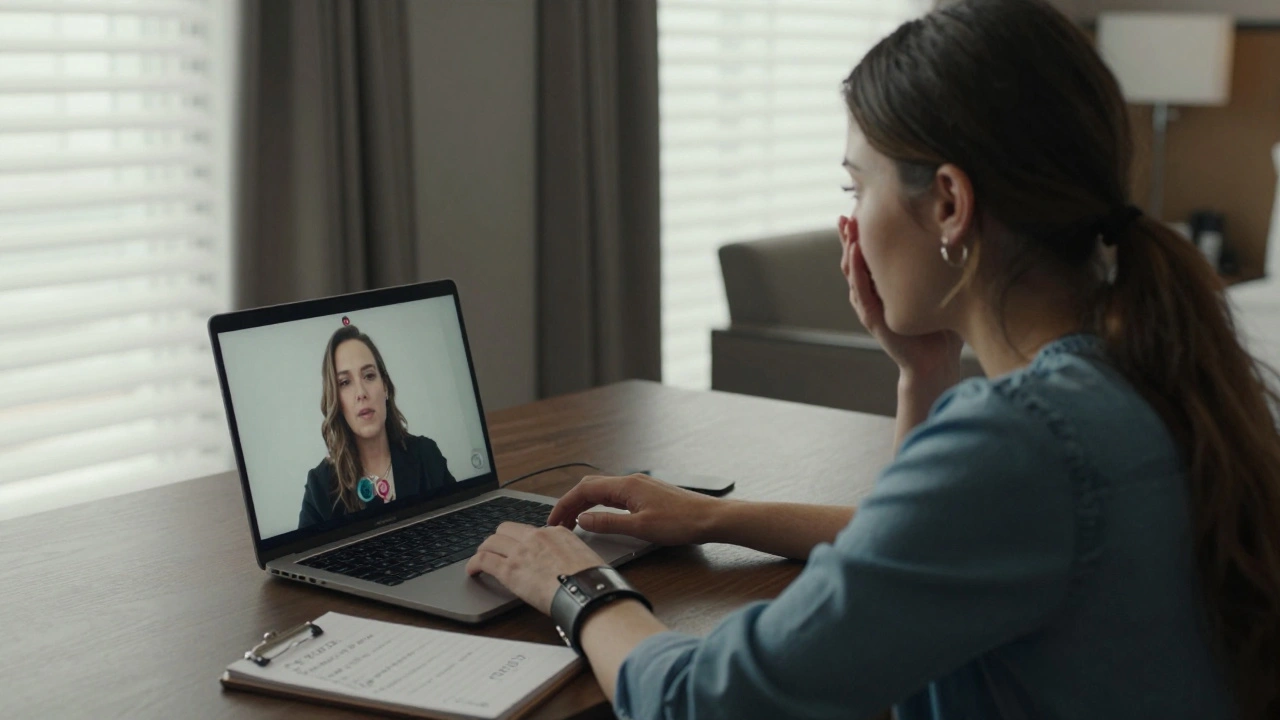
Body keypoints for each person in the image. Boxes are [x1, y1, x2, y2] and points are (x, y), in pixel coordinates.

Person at [461, 0, 1280, 718]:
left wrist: (578, 584)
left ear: (951, 204)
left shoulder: (1021, 440)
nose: (850, 219)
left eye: (857, 187)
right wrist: (723, 512)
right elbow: (922, 548)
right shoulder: (1141, 369)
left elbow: (712, 704)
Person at [298, 325, 455, 529]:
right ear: (335, 401)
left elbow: (461, 526)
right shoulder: (319, 486)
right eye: (345, 382)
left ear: (386, 387)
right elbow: (300, 559)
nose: (361, 392)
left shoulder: (427, 455)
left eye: (369, 376)